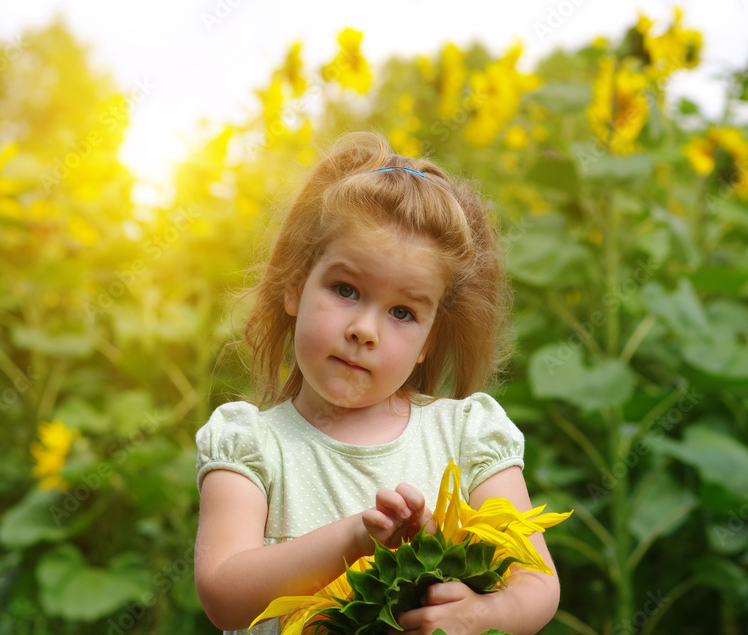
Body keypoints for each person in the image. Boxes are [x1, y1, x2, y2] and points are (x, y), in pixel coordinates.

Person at [194, 132, 560, 635]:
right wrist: (354, 542)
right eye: (346, 289)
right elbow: (223, 593)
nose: (364, 330)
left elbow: (537, 583)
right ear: (295, 287)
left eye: (403, 313)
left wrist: (480, 614)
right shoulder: (251, 443)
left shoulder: (464, 433)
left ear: (429, 340)